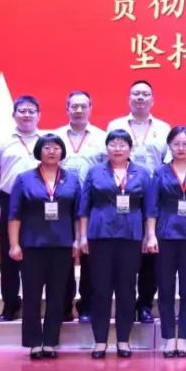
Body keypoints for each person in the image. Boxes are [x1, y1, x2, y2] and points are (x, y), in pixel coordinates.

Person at [77, 129, 155, 359]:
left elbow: (149, 209)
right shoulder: (95, 171)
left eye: (122, 144)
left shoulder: (142, 173)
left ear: (130, 149)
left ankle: (123, 340)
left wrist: (150, 235)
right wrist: (82, 236)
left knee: (126, 289)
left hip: (131, 236)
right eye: (113, 144)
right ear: (106, 148)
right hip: (100, 235)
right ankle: (100, 341)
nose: (118, 148)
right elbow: (84, 207)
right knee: (100, 289)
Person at [7, 135, 81, 359]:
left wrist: (78, 240)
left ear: (62, 152)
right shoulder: (24, 179)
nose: (51, 151)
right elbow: (14, 214)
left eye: (56, 148)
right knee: (31, 295)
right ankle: (34, 342)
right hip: (32, 245)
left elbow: (77, 214)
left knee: (57, 295)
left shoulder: (72, 179)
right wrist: (14, 244)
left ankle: (50, 341)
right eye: (47, 147)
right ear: (39, 151)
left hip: (62, 245)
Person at [107, 80, 171, 325]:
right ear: (129, 98)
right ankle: (124, 302)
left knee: (150, 251)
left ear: (153, 100)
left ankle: (144, 303)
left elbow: (166, 163)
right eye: (136, 94)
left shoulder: (163, 128)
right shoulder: (115, 125)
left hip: (154, 194)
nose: (140, 98)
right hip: (122, 194)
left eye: (145, 94)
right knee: (125, 250)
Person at [145, 126, 186, 358]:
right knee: (166, 287)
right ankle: (169, 337)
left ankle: (185, 337)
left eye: (185, 144)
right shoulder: (160, 172)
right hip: (165, 235)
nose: (181, 148)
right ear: (169, 146)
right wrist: (151, 234)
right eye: (176, 144)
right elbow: (152, 206)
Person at [0, 95, 42, 322]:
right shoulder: (2, 140)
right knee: (9, 255)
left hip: (38, 204)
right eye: (22, 111)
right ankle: (10, 304)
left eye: (31, 111)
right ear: (14, 115)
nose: (27, 115)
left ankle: (32, 303)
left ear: (39, 115)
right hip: (8, 200)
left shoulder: (46, 140)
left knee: (34, 256)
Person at [53, 90, 106, 324]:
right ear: (67, 108)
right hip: (60, 202)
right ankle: (64, 304)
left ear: (91, 108)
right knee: (64, 254)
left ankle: (86, 305)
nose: (78, 110)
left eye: (83, 106)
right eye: (74, 106)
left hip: (92, 202)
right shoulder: (54, 136)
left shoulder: (102, 137)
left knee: (89, 256)